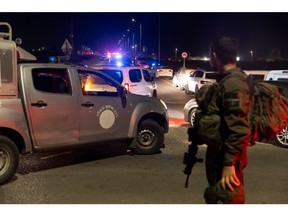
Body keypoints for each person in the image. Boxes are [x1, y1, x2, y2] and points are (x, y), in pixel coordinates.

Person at [202, 36, 251, 204]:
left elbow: (238, 126)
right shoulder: (227, 80)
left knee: (229, 200)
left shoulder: (233, 84)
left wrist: (229, 163)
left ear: (214, 56)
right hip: (221, 158)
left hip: (226, 161)